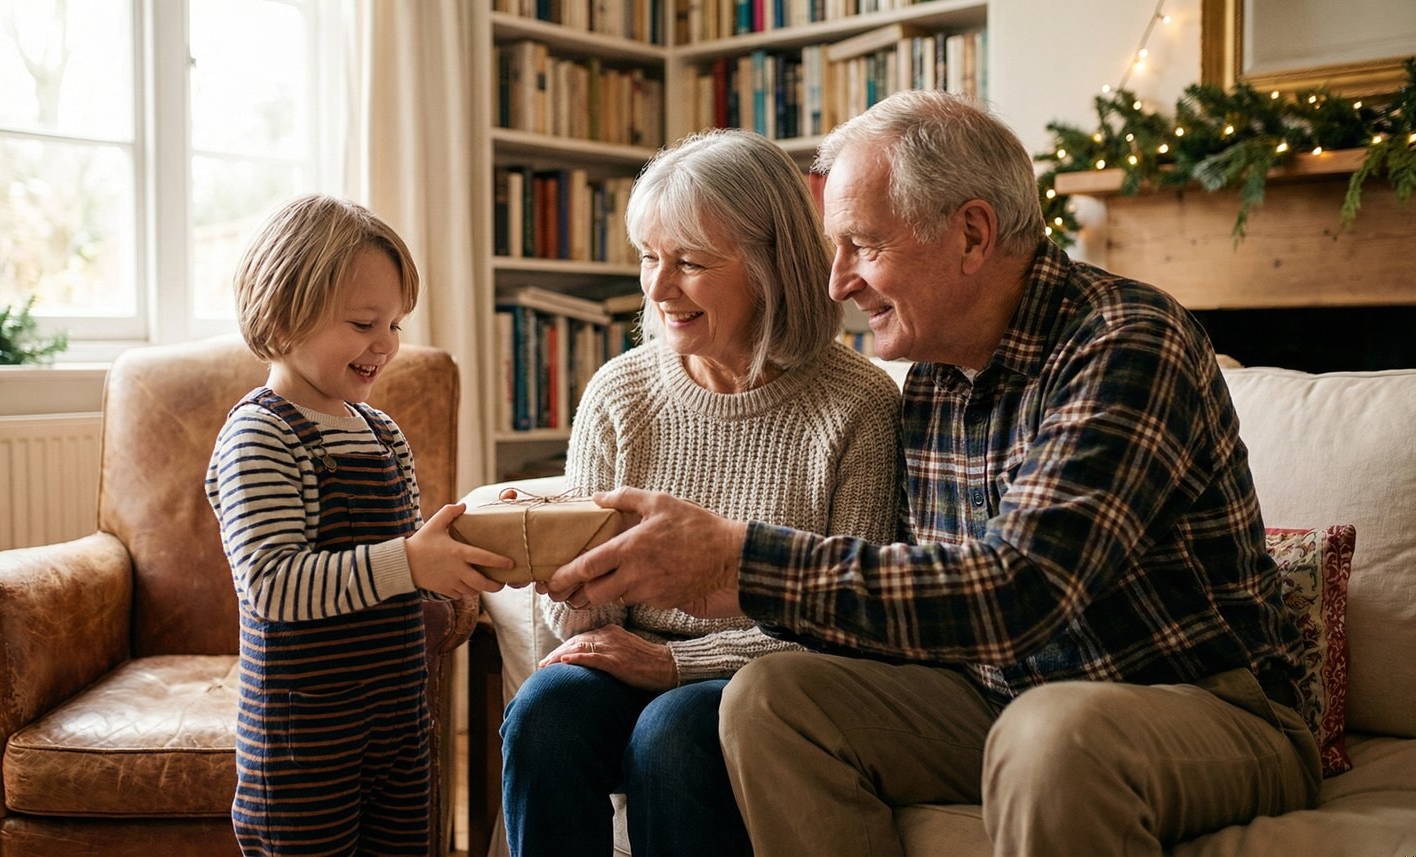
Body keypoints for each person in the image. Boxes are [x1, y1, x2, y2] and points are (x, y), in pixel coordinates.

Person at [545, 90, 1321, 857]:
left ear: (972, 234)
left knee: (1051, 735)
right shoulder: (933, 380)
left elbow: (1021, 589)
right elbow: (904, 592)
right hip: (991, 694)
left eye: (862, 245)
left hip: (1199, 704)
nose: (836, 282)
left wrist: (736, 558)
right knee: (769, 700)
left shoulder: (1125, 343)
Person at [500, 128, 902, 857]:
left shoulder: (859, 406)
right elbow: (582, 616)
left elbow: (848, 626)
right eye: (650, 259)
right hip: (629, 658)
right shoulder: (620, 392)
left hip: (767, 675)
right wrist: (559, 570)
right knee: (543, 711)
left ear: (769, 267)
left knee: (674, 730)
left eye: (688, 262)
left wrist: (678, 663)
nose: (657, 288)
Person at [205, 194, 511, 856]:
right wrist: (410, 560)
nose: (386, 344)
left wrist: (473, 543)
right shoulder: (260, 434)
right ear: (282, 316)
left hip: (397, 725)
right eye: (365, 322)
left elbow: (404, 564)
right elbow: (273, 583)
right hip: (304, 744)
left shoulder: (381, 433)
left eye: (397, 323)